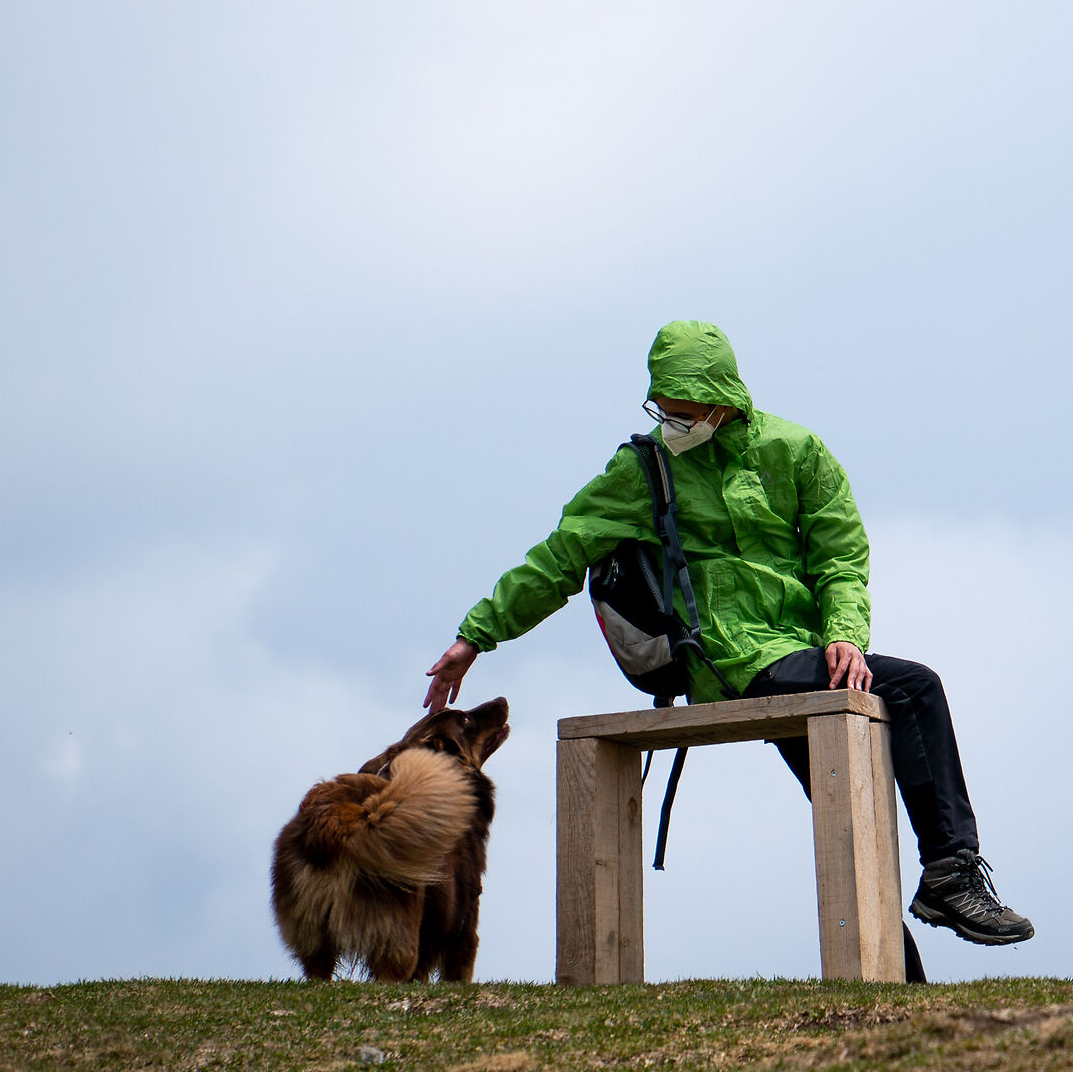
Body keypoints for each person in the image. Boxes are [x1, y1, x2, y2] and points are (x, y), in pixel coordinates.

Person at [422, 320, 1034, 947]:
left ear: (721, 400)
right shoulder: (643, 468)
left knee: (855, 826)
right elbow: (558, 558)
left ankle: (903, 981)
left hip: (802, 656)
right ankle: (951, 875)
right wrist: (475, 636)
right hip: (726, 660)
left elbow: (840, 558)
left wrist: (846, 636)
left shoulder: (797, 451)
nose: (672, 423)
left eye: (684, 412)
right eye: (662, 409)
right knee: (914, 687)